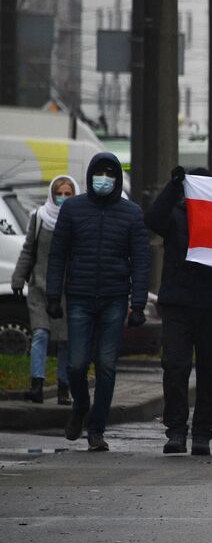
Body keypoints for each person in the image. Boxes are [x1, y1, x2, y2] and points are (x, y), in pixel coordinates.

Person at [46, 153, 150, 451]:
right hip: (78, 296)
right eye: (99, 172)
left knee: (106, 365)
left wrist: (139, 303)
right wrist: (54, 295)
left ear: (117, 178)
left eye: (109, 173)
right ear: (90, 174)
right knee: (76, 364)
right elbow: (57, 255)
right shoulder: (73, 210)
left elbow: (141, 260)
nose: (103, 178)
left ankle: (96, 429)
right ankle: (81, 406)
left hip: (114, 298)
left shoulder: (131, 214)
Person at [145, 166, 212, 455]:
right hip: (178, 304)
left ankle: (202, 432)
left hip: (210, 304)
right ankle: (176, 430)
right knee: (175, 367)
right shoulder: (175, 212)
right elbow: (153, 219)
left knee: (210, 369)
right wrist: (172, 186)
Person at [12, 175, 75, 405]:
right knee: (40, 333)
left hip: (67, 291)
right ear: (52, 194)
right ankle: (36, 385)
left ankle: (63, 388)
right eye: (60, 193)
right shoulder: (39, 218)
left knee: (65, 340)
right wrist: (18, 278)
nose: (63, 198)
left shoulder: (76, 220)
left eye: (68, 194)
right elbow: (29, 250)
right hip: (39, 287)